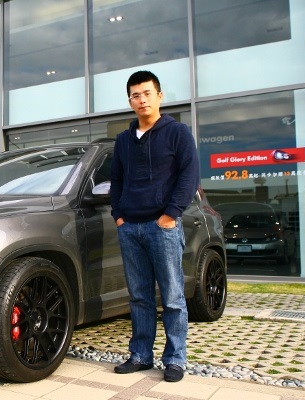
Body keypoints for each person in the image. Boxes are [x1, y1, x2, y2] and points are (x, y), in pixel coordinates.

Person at [109, 70, 199, 382]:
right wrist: (118, 215)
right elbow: (116, 180)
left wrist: (170, 214)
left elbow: (190, 175)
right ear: (130, 101)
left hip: (163, 227)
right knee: (139, 296)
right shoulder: (123, 140)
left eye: (147, 93)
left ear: (159, 96)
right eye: (135, 95)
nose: (142, 99)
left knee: (172, 296)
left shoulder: (177, 133)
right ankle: (140, 355)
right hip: (130, 228)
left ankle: (175, 359)